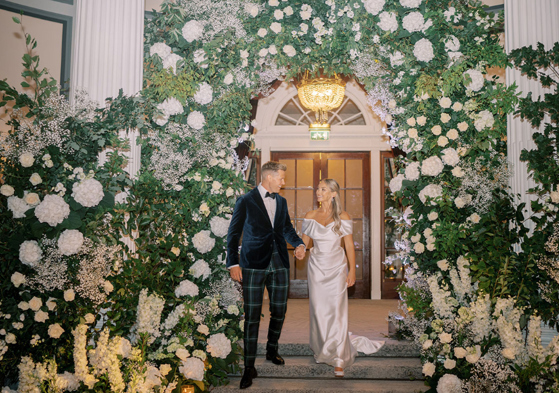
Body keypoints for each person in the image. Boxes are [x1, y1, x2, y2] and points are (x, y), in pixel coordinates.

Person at [227, 161, 306, 389]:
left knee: (280, 310)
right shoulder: (245, 200)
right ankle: (249, 367)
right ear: (269, 177)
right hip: (252, 264)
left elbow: (286, 229)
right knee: (252, 315)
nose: (283, 182)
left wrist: (298, 244)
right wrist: (233, 263)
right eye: (281, 178)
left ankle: (272, 349)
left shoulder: (281, 201)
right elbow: (233, 234)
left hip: (279, 262)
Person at [301, 178, 384, 378]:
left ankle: (339, 356)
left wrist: (352, 271)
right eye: (318, 189)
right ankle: (322, 347)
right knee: (319, 310)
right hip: (316, 269)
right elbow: (303, 244)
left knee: (337, 311)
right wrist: (299, 251)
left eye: (323, 189)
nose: (318, 192)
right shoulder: (310, 216)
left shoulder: (342, 216)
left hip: (337, 268)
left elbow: (348, 246)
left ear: (333, 193)